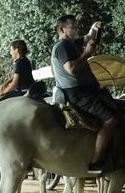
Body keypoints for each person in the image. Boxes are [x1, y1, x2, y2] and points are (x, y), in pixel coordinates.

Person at [50, 15, 117, 172]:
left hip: (85, 91)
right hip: (78, 94)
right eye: (73, 26)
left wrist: (95, 27)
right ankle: (96, 161)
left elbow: (88, 37)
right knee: (111, 119)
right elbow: (72, 69)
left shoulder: (70, 43)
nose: (77, 28)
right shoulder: (62, 46)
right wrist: (87, 53)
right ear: (61, 29)